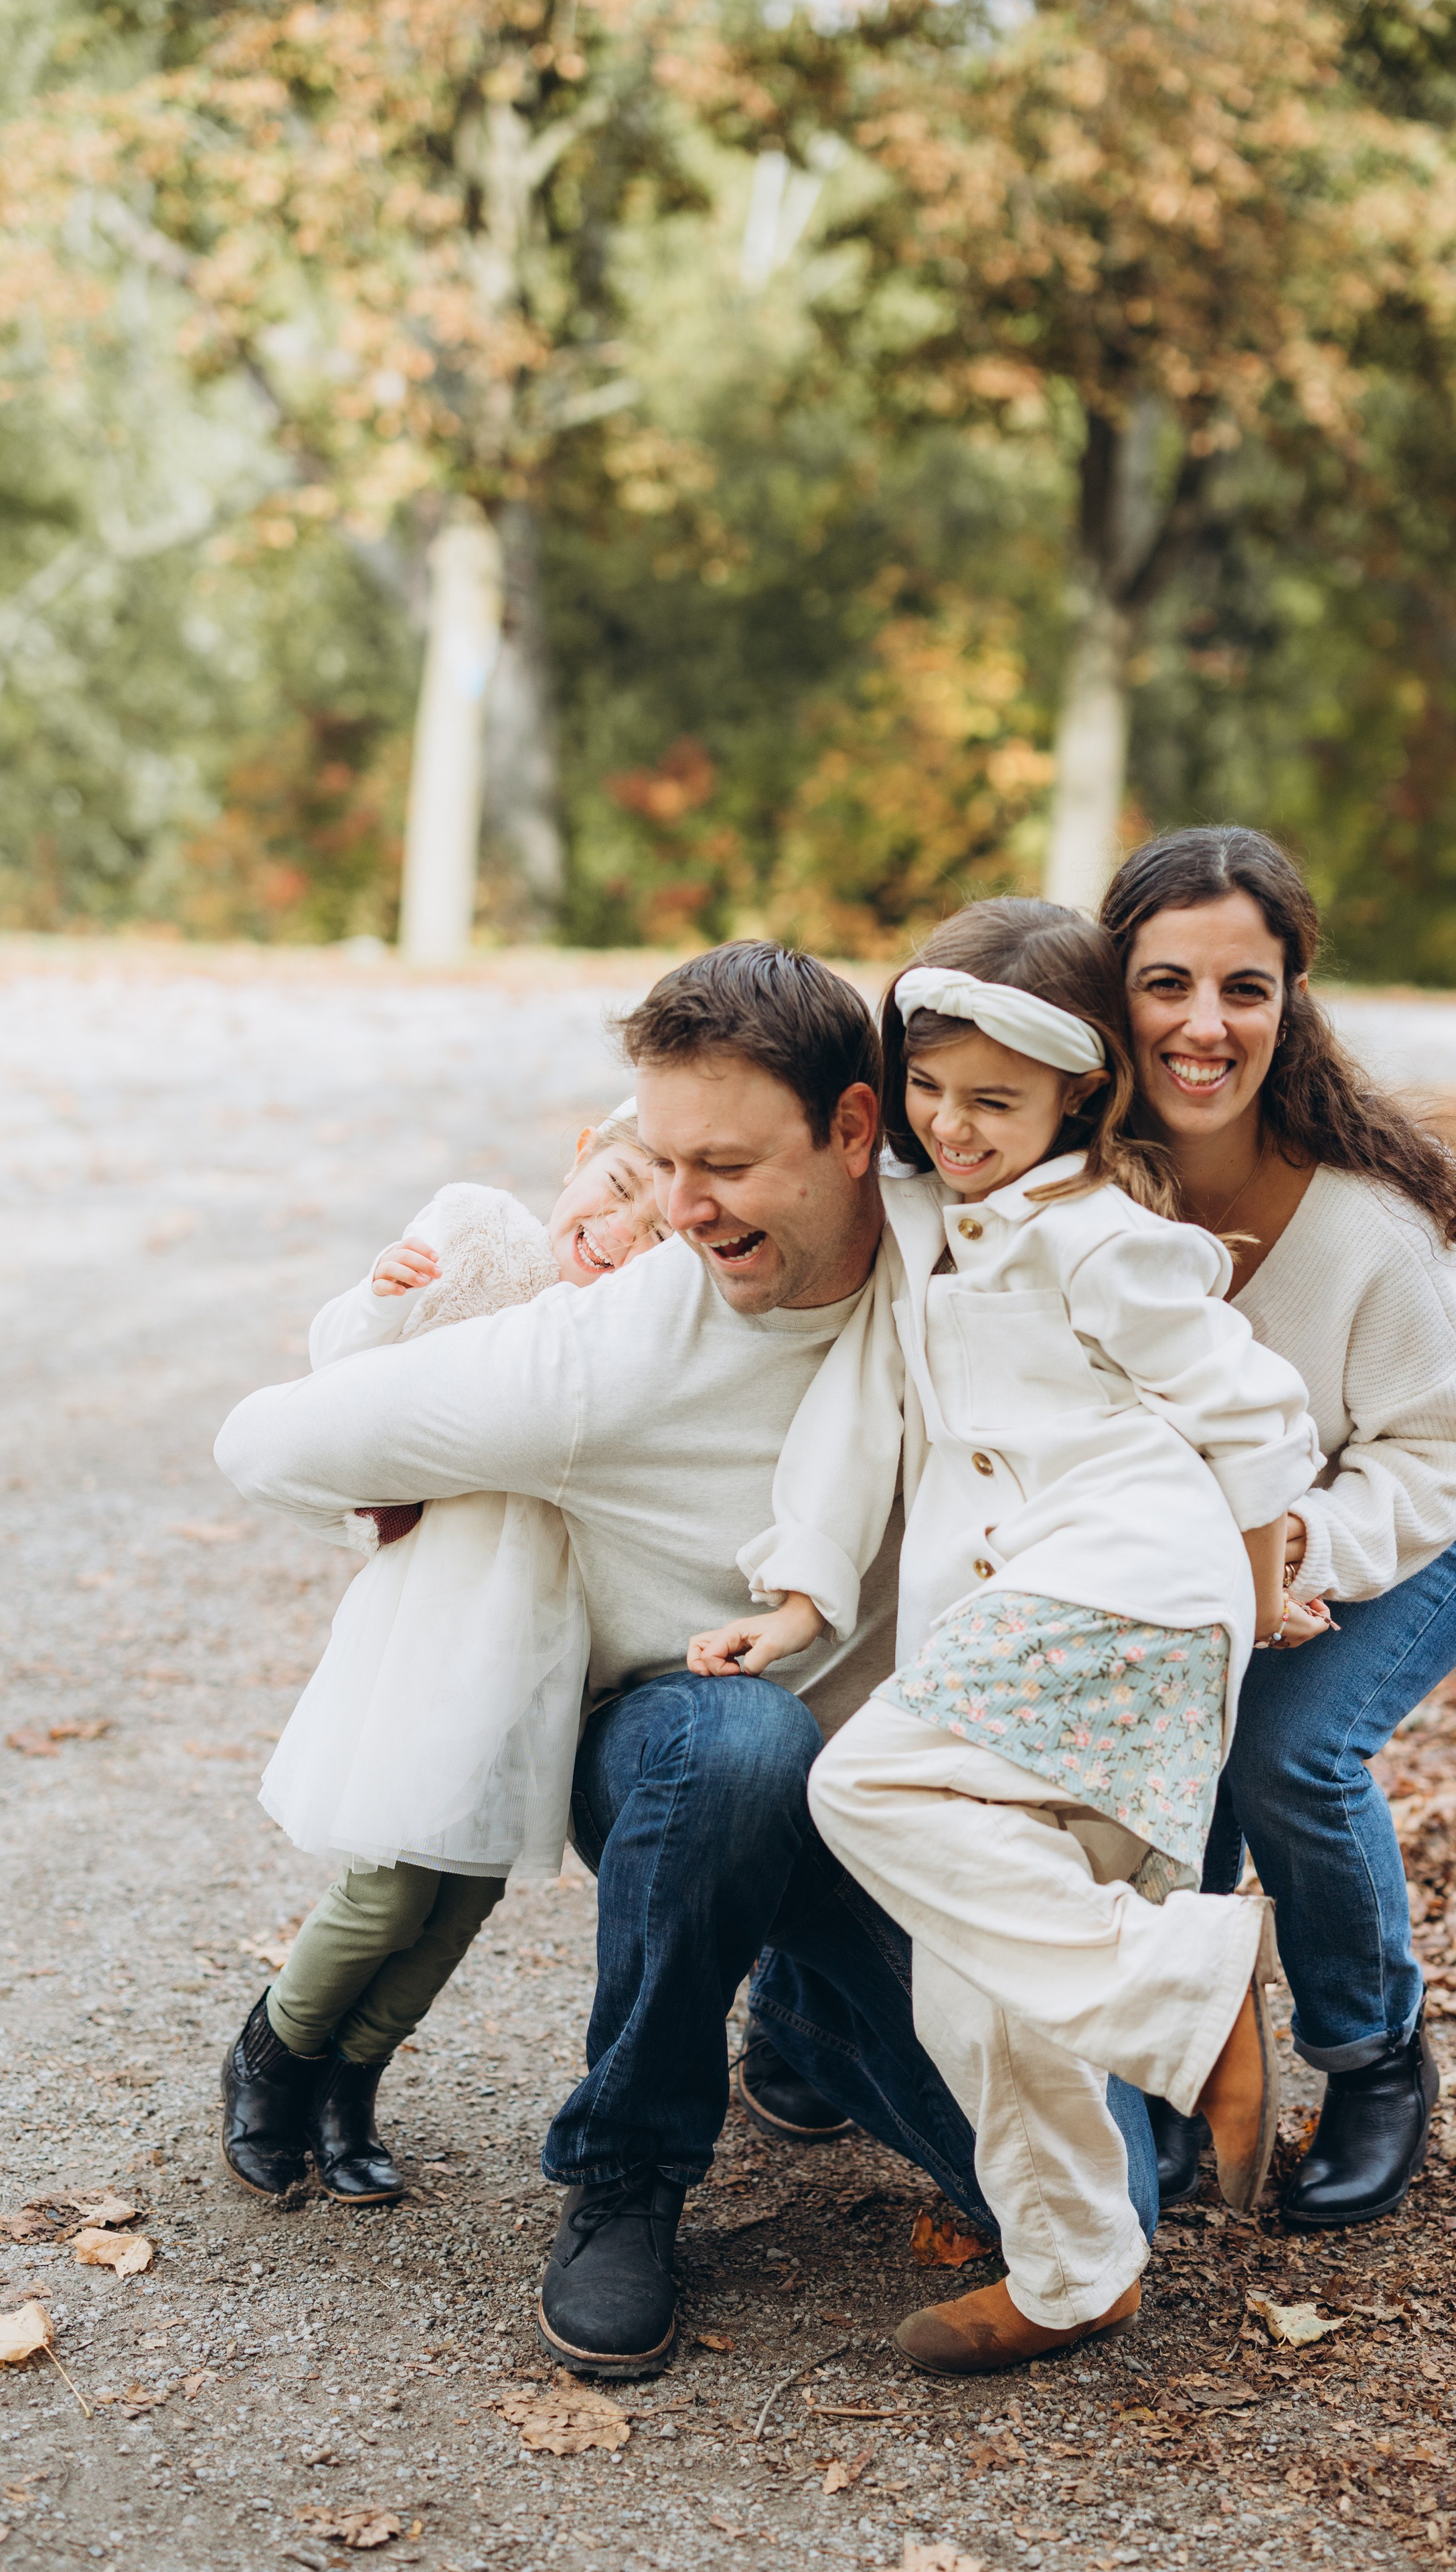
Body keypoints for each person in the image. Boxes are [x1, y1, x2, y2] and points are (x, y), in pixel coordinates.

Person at [215, 941, 1163, 2380]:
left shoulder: (968, 1251)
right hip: (677, 1758)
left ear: (855, 1131)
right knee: (739, 1748)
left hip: (906, 1793)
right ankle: (627, 2174)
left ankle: (796, 2008)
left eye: (721, 1162)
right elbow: (265, 1439)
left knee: (1099, 2206)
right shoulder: (599, 1352)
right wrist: (434, 1465)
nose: (680, 1207)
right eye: (659, 1163)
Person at [690, 899, 1329, 2376]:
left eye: (994, 1101)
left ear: (1075, 1094)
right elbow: (866, 1410)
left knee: (858, 1786)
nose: (953, 1125)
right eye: (931, 1090)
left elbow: (1251, 1419)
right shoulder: (917, 1221)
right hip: (1021, 1626)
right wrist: (802, 1589)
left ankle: (1188, 1985)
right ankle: (1074, 2272)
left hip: (1125, 1595)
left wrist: (1246, 1597)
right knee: (975, 1992)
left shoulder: (1106, 1241)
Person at [1098, 827, 1456, 2227]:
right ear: (1107, 989)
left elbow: (1446, 1447)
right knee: (1164, 1727)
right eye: (1165, 983)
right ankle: (1177, 2061)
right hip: (1254, 1487)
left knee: (1284, 1745)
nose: (1202, 1025)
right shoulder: (1079, 1166)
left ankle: (1371, 2058)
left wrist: (1304, 1544)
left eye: (1242, 989)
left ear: (1288, 999)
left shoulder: (1368, 1223)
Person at [221, 1108, 672, 2209]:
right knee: (387, 1889)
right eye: (614, 1187)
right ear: (577, 1152)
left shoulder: (642, 1336)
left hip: (541, 1651)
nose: (618, 1232)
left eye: (658, 1229)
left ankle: (351, 2082)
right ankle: (273, 2061)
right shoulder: (491, 1244)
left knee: (460, 1901)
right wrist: (378, 1298)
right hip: (438, 1622)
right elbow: (345, 1382)